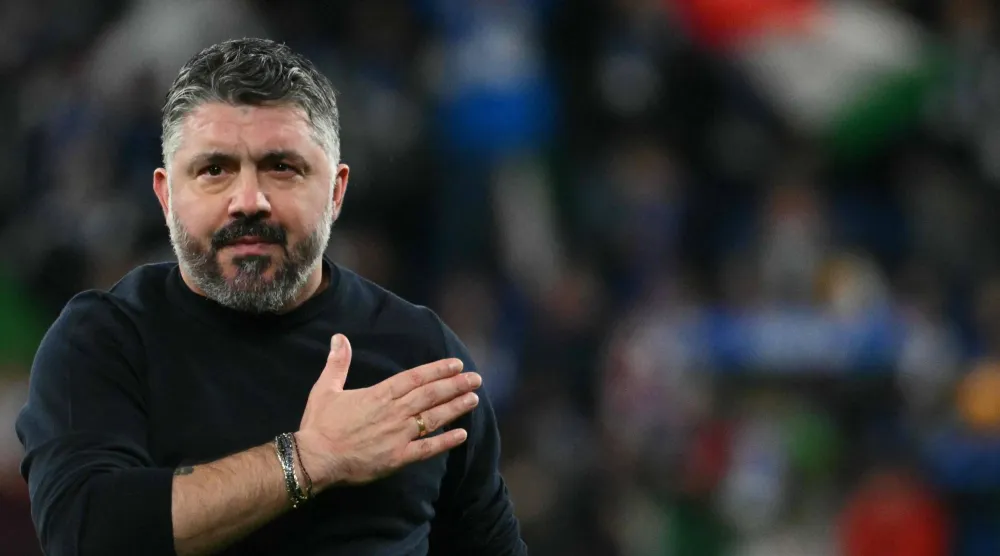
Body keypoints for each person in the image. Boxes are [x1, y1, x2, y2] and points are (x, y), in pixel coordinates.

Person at [15, 38, 527, 556]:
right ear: (166, 195)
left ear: (336, 192)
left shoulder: (421, 359)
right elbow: (85, 533)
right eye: (214, 169)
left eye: (282, 167)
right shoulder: (103, 343)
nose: (249, 201)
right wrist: (310, 459)